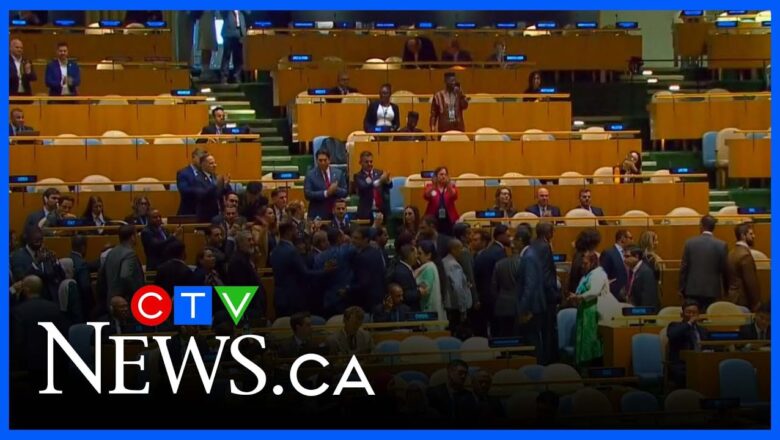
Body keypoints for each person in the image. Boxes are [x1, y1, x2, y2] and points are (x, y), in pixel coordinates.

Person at [566, 251, 619, 367]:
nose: (582, 266)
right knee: (584, 342)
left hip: (594, 312)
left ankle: (592, 370)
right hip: (585, 311)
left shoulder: (598, 274)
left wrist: (579, 297)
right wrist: (575, 297)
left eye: (585, 263)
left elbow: (594, 291)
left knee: (592, 342)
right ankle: (584, 369)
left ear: (593, 262)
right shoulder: (587, 274)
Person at [680, 215, 728, 310]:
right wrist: (726, 291)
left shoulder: (689, 243)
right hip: (712, 291)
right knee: (709, 319)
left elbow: (684, 268)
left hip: (692, 289)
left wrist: (681, 289)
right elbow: (724, 270)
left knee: (692, 318)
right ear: (714, 227)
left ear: (701, 226)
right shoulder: (722, 245)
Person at [472, 224, 509, 337]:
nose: (510, 237)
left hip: (484, 296)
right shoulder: (498, 252)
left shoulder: (487, 252)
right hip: (495, 297)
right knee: (497, 330)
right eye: (507, 235)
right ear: (500, 236)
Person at [531, 221, 560, 364]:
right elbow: (546, 273)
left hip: (536, 295)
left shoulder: (533, 244)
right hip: (545, 297)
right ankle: (547, 361)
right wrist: (554, 294)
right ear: (549, 233)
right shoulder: (544, 246)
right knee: (547, 330)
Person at [98, 225, 144, 310]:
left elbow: (101, 275)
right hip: (125, 303)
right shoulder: (129, 254)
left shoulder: (111, 252)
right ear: (132, 237)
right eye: (136, 234)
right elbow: (125, 276)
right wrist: (137, 294)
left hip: (111, 300)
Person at [667, 299, 707, 388]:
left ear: (698, 314)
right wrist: (689, 323)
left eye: (694, 313)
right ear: (682, 314)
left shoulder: (703, 330)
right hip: (682, 364)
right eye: (688, 312)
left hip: (701, 362)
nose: (691, 315)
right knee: (683, 374)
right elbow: (672, 335)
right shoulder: (674, 326)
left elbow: (709, 345)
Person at [348, 227, 386, 311]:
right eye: (352, 237)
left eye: (356, 238)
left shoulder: (361, 257)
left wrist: (348, 289)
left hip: (367, 300)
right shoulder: (376, 252)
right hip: (378, 297)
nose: (352, 241)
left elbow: (364, 283)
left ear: (365, 239)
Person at [304, 149, 348, 220]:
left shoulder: (338, 173)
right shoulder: (310, 175)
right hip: (317, 214)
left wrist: (335, 189)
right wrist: (326, 193)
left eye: (325, 160)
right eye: (320, 160)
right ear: (316, 160)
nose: (323, 163)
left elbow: (345, 192)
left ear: (329, 160)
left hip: (336, 215)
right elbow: (307, 194)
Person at [726, 222, 761, 311]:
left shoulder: (731, 253)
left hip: (732, 298)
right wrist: (757, 303)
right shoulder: (745, 255)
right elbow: (751, 282)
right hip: (743, 300)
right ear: (743, 235)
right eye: (751, 234)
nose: (754, 236)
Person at [442, 238, 473, 331]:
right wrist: (463, 309)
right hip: (456, 307)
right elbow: (458, 288)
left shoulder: (444, 261)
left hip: (449, 305)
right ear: (453, 250)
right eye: (460, 249)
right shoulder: (454, 265)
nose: (462, 251)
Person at [353, 151, 392, 222]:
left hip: (382, 210)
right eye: (366, 162)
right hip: (366, 211)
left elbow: (389, 186)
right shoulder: (358, 176)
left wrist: (388, 180)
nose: (369, 164)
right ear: (360, 162)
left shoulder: (379, 172)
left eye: (371, 161)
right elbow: (365, 187)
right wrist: (380, 180)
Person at [389, 244, 426, 311]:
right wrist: (419, 292)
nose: (417, 256)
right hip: (408, 311)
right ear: (410, 255)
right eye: (416, 254)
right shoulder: (402, 272)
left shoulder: (404, 268)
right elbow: (405, 295)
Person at [423, 166, 459, 236]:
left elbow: (454, 195)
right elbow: (426, 196)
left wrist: (448, 184)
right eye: (441, 174)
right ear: (436, 176)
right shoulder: (430, 186)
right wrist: (434, 185)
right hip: (434, 218)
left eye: (445, 174)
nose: (443, 176)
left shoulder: (452, 186)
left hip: (448, 219)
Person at [414, 241, 446, 320]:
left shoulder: (429, 268)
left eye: (420, 253)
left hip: (429, 309)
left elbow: (425, 290)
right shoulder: (428, 266)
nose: (417, 256)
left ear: (428, 255)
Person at [600, 229, 634, 301]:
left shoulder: (629, 253)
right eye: (630, 238)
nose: (632, 241)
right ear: (622, 239)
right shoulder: (608, 253)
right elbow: (602, 275)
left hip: (627, 296)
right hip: (613, 296)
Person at [176, 147, 209, 215]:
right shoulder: (183, 173)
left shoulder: (207, 172)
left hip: (206, 213)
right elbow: (184, 190)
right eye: (201, 158)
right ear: (193, 157)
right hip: (188, 212)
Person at [219, 10, 247, 84]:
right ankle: (224, 78)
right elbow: (222, 12)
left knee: (238, 57)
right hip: (228, 33)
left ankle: (237, 77)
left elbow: (249, 12)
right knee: (226, 56)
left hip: (239, 33)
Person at [192, 11, 217, 81]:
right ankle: (205, 71)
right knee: (206, 45)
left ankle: (206, 69)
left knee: (208, 45)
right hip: (206, 17)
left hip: (209, 17)